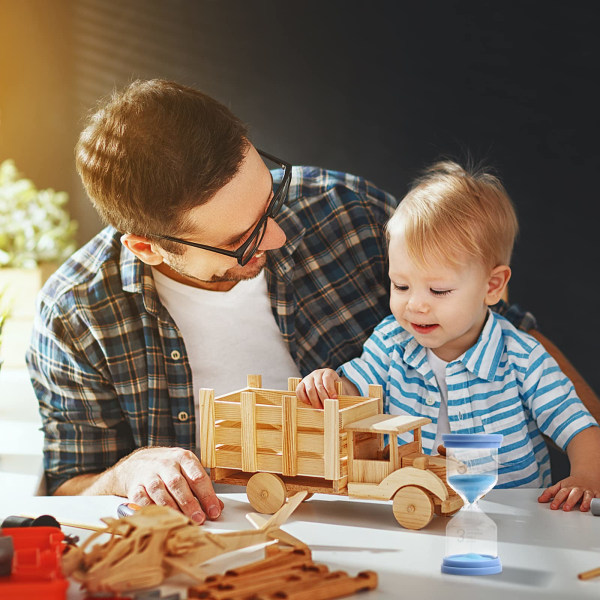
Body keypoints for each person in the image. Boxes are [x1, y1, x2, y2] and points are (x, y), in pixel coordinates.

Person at [25, 79, 540, 523]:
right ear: (147, 246)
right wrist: (126, 472)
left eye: (269, 198)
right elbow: (69, 488)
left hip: (388, 527)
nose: (275, 236)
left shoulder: (348, 214)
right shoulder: (76, 317)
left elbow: (507, 334)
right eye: (240, 240)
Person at [296, 161, 600, 512]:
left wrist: (587, 475)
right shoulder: (391, 342)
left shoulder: (521, 357)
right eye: (401, 285)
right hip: (415, 508)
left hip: (513, 518)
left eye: (438, 291)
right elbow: (355, 391)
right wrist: (332, 384)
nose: (415, 305)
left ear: (492, 286)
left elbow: (579, 427)